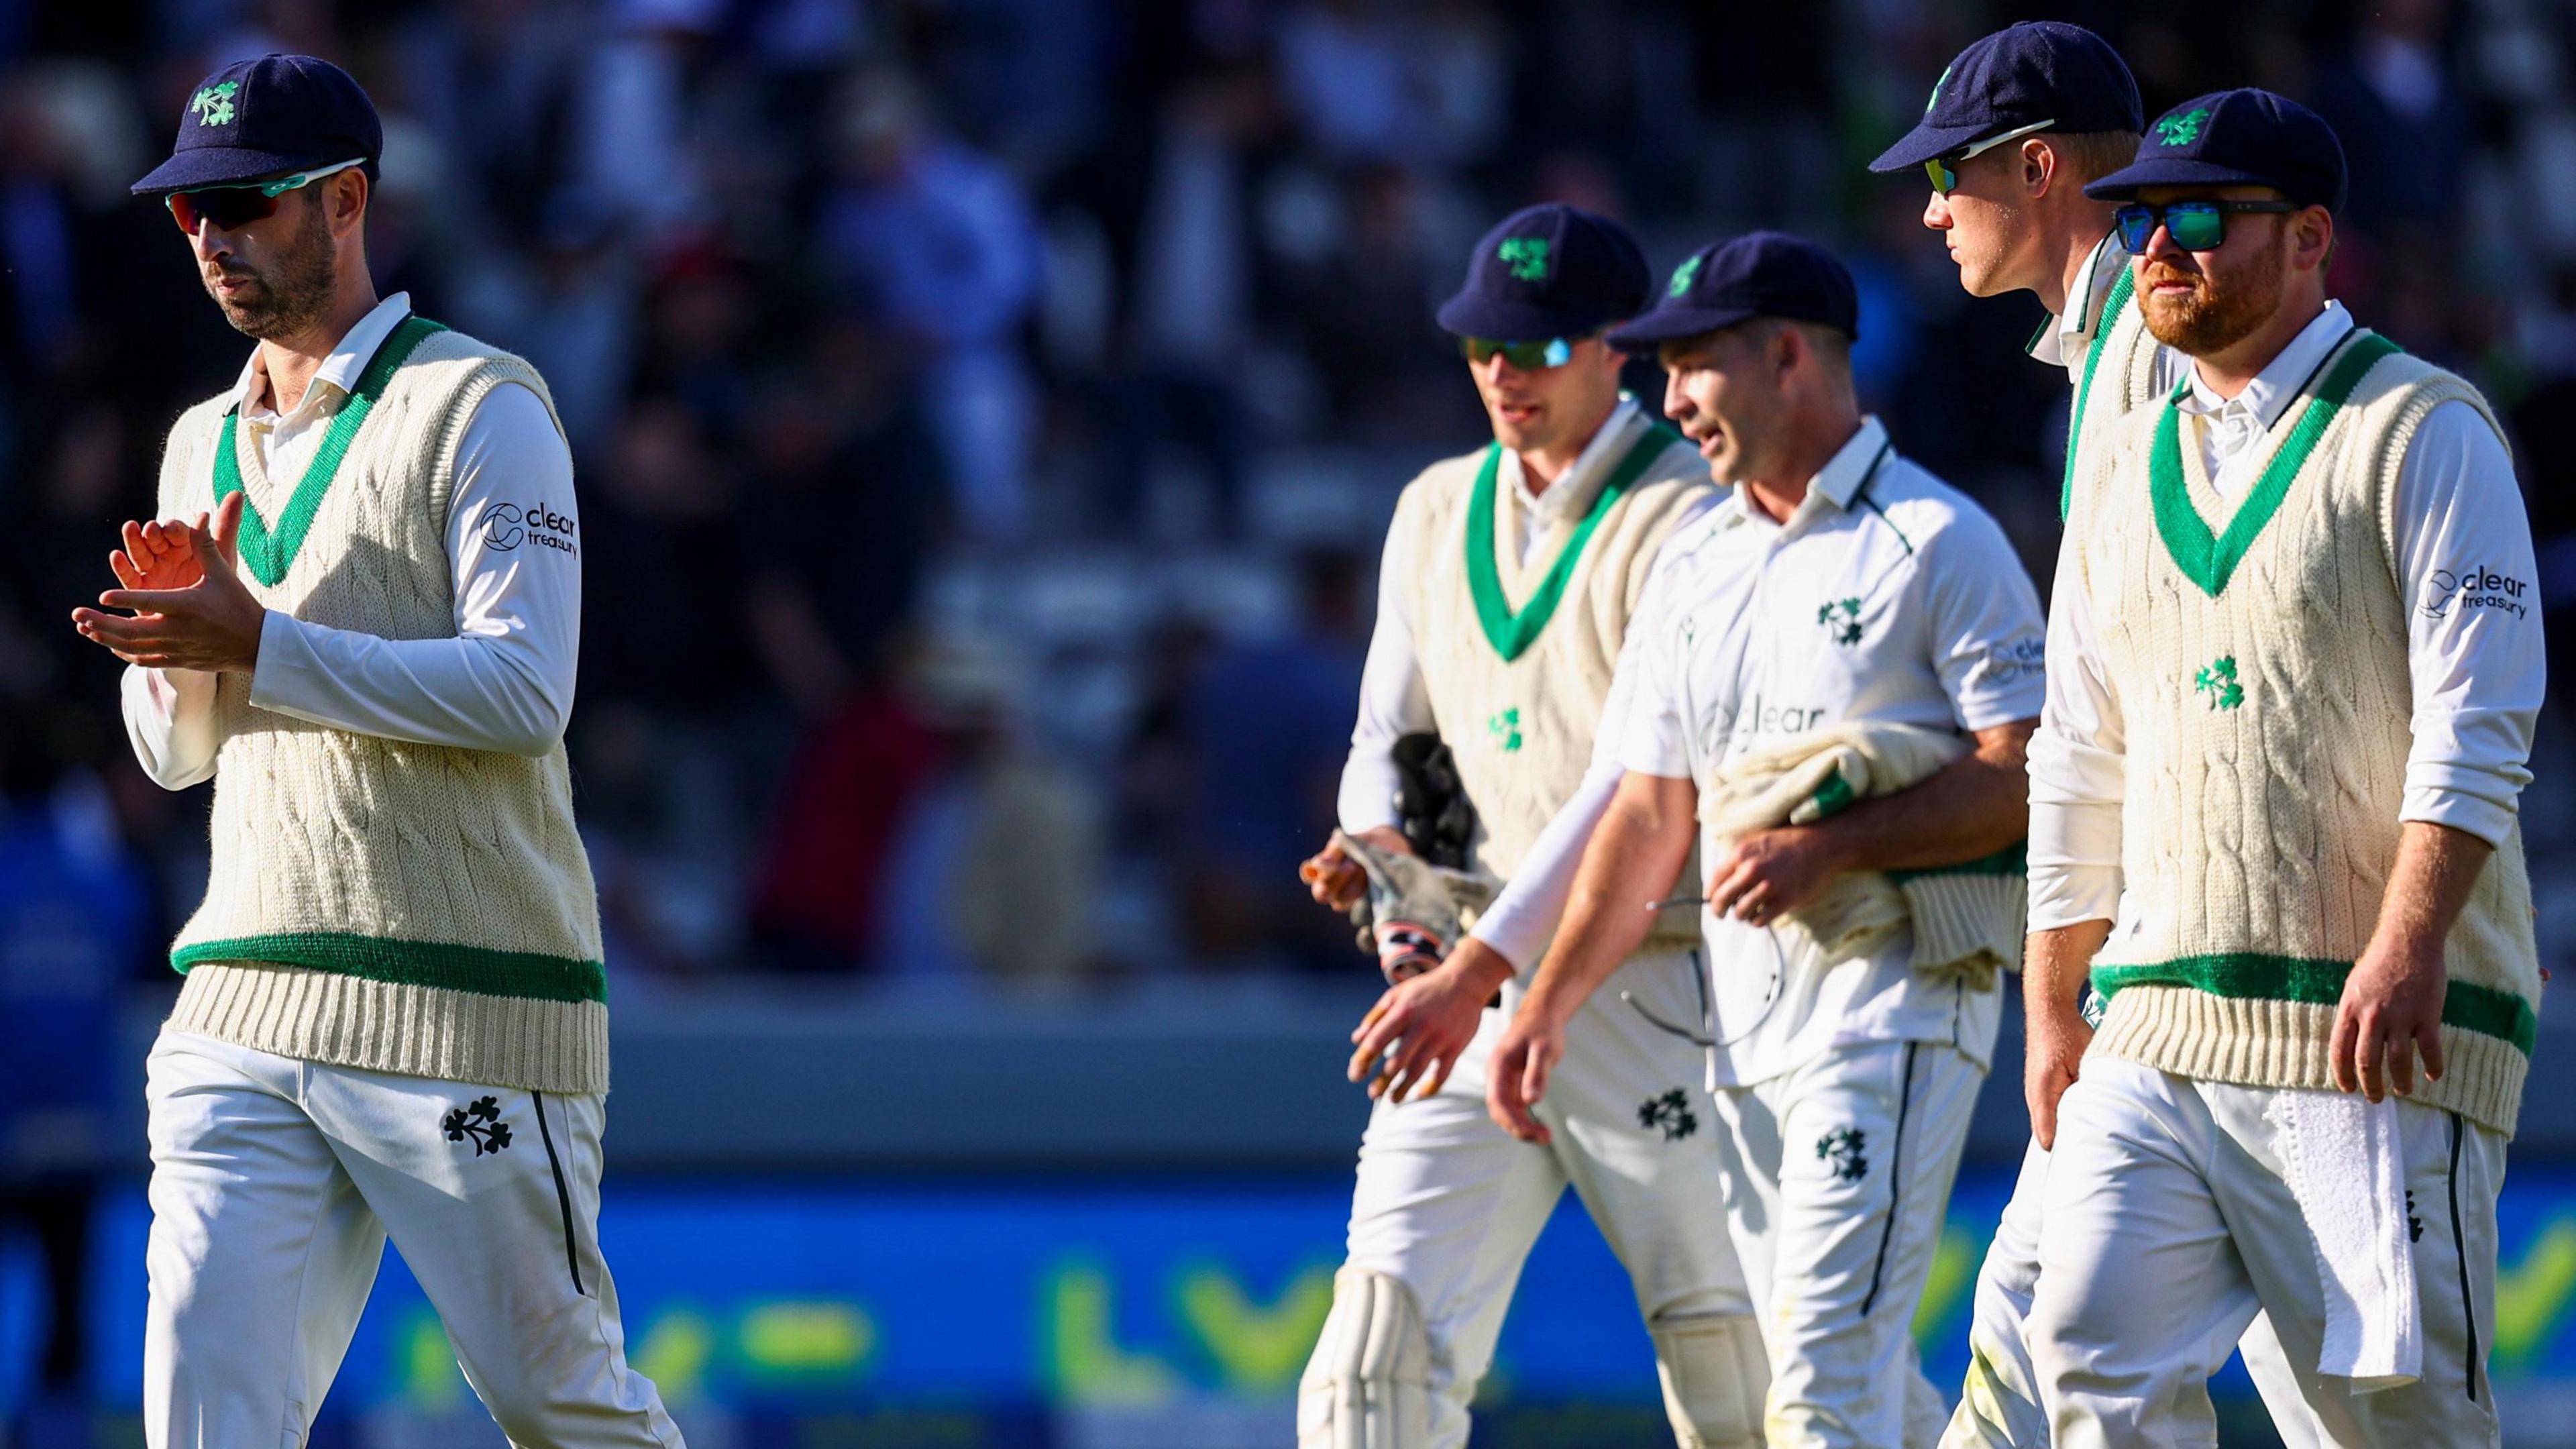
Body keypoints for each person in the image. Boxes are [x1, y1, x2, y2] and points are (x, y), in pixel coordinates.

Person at [69, 54, 685, 1448]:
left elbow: (530, 692)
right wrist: (175, 670)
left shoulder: (484, 407)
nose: (212, 236)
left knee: (560, 1404)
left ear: (347, 202)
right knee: (205, 1414)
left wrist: (254, 645)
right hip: (242, 1005)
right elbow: (177, 762)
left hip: (466, 1001)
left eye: (246, 203)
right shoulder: (197, 442)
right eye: (189, 212)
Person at [2024, 91, 2544, 1446]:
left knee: (2387, 1429)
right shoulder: (2123, 464)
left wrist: (2411, 939)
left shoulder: (2427, 428)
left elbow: (2483, 717)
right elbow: (2078, 751)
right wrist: (2055, 996)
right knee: (2082, 1366)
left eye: (2197, 217)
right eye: (2135, 216)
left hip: (2368, 1044)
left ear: (2311, 238)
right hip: (2155, 1025)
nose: (2157, 247)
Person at [1482, 231, 2047, 1449]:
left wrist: (1832, 848)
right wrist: (1547, 998)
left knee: (1816, 1396)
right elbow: (1647, 811)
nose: (1668, 399)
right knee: (1868, 1391)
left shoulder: (1938, 541)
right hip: (1738, 1039)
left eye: (1690, 366)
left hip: (1893, 1015)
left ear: (1787, 355)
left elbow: (2028, 772)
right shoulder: (1694, 558)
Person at [1868, 25, 2326, 1449]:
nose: (1932, 207)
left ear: (2043, 163)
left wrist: (2074, 985)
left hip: (2212, 964)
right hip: (2192, 957)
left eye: (1952, 174)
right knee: (2064, 1370)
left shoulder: (2150, 346)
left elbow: (2143, 687)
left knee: (2073, 1368)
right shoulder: (2121, 348)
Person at [1295, 203, 1766, 1449]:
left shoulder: (1694, 512)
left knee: (1744, 1376)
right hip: (1469, 985)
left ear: (1621, 349)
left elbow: (1634, 785)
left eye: (1542, 348)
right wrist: (1397, 897)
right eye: (1484, 347)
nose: (1506, 374)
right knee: (1372, 1370)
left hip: (1658, 987)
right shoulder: (1436, 506)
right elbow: (1387, 743)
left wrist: (1474, 963)